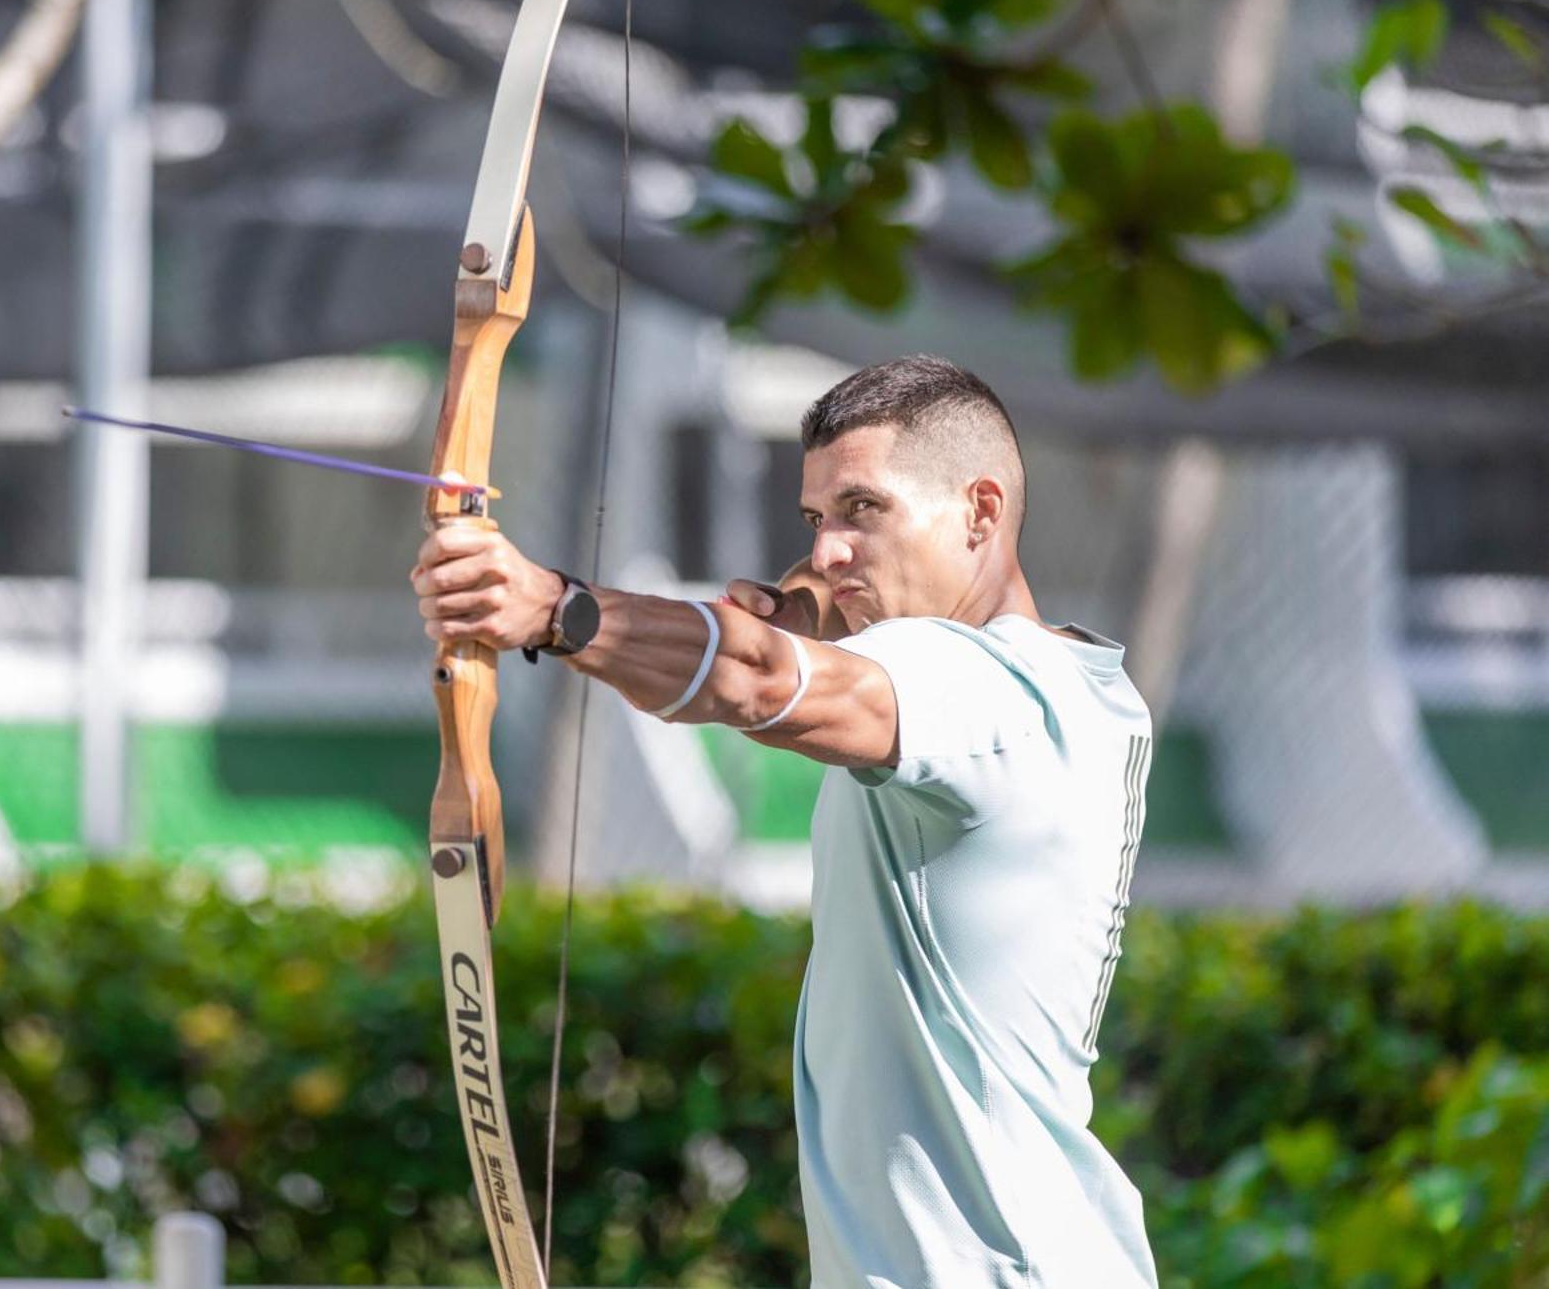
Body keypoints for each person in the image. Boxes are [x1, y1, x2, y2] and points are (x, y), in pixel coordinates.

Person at [411, 354, 1158, 1288]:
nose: (831, 547)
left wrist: (554, 609)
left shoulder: (986, 688)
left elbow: (763, 679)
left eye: (864, 510)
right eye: (817, 519)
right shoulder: (1075, 688)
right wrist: (803, 609)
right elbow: (800, 656)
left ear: (981, 511)